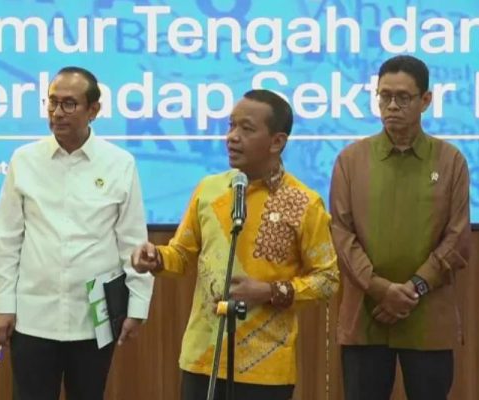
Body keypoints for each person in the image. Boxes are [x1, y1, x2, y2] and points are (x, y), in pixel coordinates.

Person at [131, 89, 339, 400]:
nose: (232, 137)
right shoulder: (210, 190)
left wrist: (268, 291)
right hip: (204, 358)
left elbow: (327, 280)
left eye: (247, 129)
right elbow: (181, 255)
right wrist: (156, 258)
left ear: (277, 141)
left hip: (265, 365)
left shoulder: (304, 203)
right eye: (231, 126)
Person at [0, 66, 153, 400]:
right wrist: (2, 304)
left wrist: (137, 306)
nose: (57, 112)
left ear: (94, 110)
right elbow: (6, 238)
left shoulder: (119, 163)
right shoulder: (24, 160)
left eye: (69, 104)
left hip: (95, 318)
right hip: (33, 316)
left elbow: (133, 241)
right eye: (52, 102)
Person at [330, 55, 471, 400]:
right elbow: (342, 236)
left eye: (403, 97)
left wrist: (413, 290)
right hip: (366, 316)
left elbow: (457, 239)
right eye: (384, 96)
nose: (392, 106)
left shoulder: (450, 160)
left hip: (427, 318)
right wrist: (380, 289)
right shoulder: (351, 160)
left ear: (426, 100)